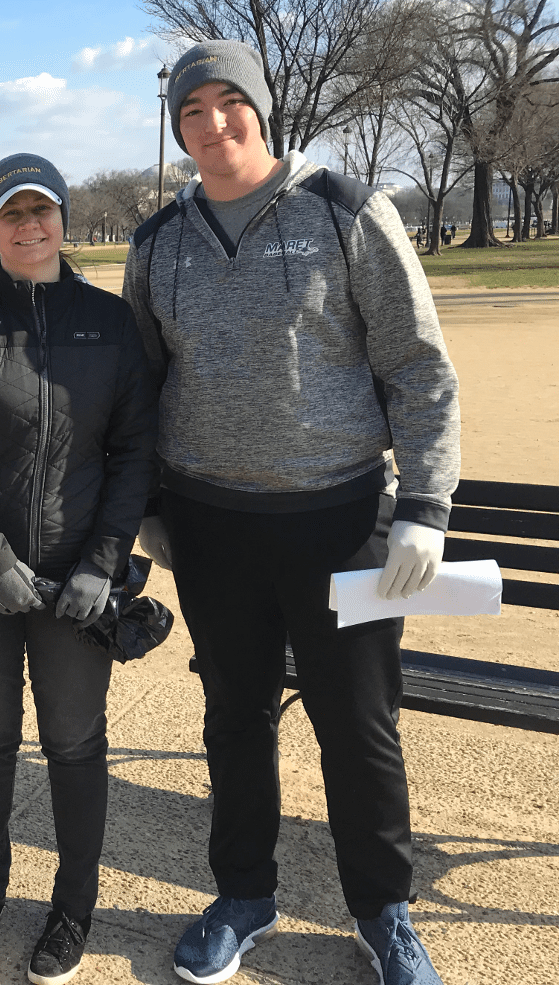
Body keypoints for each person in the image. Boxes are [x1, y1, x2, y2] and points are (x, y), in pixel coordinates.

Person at [123, 41, 460, 985]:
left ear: (261, 111)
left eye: (232, 102)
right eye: (195, 109)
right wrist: (150, 507)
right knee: (234, 716)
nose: (215, 122)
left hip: (340, 517)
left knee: (358, 725)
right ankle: (243, 894)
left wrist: (424, 507)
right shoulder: (157, 244)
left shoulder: (347, 211)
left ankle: (382, 910)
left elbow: (418, 369)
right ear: (177, 125)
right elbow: (142, 386)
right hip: (212, 523)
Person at [0, 154, 156, 984]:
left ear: (61, 218)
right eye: (10, 214)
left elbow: (132, 452)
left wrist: (102, 563)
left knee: (73, 741)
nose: (28, 226)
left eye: (41, 210)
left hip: (76, 578)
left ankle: (72, 906)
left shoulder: (109, 320)